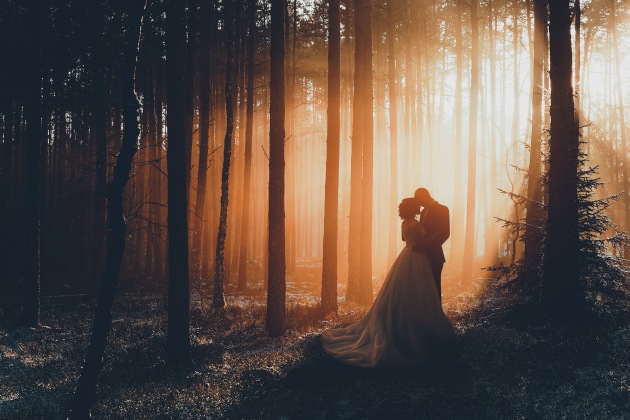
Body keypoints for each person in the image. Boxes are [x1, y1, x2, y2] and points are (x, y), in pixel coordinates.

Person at [321, 198, 454, 368]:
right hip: (418, 258)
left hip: (407, 256)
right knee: (420, 291)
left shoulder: (405, 224)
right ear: (413, 210)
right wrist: (433, 237)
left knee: (404, 290)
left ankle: (407, 318)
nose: (420, 209)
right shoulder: (414, 224)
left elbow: (408, 240)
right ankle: (417, 323)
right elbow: (421, 242)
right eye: (417, 207)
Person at [412, 188, 450, 301]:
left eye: (418, 200)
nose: (418, 204)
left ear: (424, 197)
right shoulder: (423, 212)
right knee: (424, 288)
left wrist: (427, 245)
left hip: (435, 256)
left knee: (434, 287)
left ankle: (437, 315)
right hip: (421, 256)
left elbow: (445, 233)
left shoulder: (443, 209)